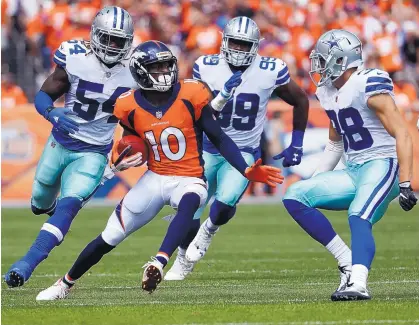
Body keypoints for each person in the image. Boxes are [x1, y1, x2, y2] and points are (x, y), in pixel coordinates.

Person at [35, 40, 284, 300]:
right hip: (155, 176)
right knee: (109, 237)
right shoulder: (127, 104)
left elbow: (219, 137)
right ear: (141, 71)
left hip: (190, 176)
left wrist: (245, 169)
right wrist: (129, 151)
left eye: (167, 65)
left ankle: (159, 262)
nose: (164, 71)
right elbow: (132, 140)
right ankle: (64, 283)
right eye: (157, 67)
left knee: (190, 202)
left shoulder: (192, 93)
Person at [4, 6, 142, 288]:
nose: (114, 46)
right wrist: (52, 113)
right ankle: (49, 205)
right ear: (95, 35)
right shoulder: (76, 57)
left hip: (94, 151)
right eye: (108, 38)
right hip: (60, 142)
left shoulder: (135, 71)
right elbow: (44, 95)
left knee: (69, 206)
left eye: (120, 40)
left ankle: (27, 263)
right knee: (39, 203)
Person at [165, 16, 309, 281]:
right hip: (207, 147)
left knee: (226, 201)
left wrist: (296, 143)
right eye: (236, 44)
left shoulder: (270, 69)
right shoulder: (205, 67)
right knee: (190, 207)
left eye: (245, 45)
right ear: (224, 42)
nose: (239, 50)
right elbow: (197, 111)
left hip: (243, 150)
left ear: (255, 46)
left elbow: (300, 100)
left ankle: (208, 232)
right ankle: (182, 258)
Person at [283, 29, 417, 301]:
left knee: (358, 215)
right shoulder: (327, 90)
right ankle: (346, 260)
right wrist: (317, 179)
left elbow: (402, 132)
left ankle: (358, 283)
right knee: (295, 196)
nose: (317, 65)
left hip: (382, 164)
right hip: (354, 169)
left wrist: (405, 182)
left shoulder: (368, 83)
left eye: (322, 59)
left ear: (340, 59)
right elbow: (335, 142)